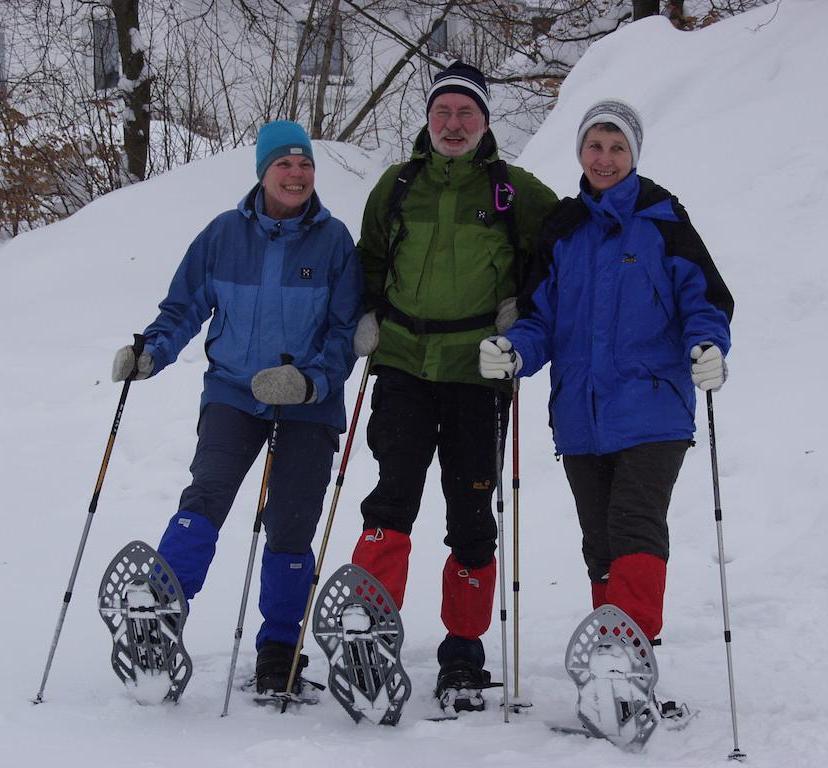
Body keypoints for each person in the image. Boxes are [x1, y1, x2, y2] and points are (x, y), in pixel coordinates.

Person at [110, 120, 361, 695]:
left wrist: (308, 383)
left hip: (306, 405)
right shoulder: (224, 235)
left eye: (305, 164)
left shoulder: (334, 242)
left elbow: (345, 333)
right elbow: (183, 306)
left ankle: (279, 650)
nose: (296, 174)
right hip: (233, 393)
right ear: (263, 171)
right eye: (284, 164)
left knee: (292, 525)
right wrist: (151, 352)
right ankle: (158, 617)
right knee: (206, 494)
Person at [479, 98, 734, 647]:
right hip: (580, 415)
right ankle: (613, 658)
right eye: (596, 145)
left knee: (633, 526)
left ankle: (631, 655)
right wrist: (516, 351)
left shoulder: (663, 218)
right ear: (581, 152)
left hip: (653, 407)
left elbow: (704, 300)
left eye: (618, 147)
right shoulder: (563, 229)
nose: (605, 157)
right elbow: (540, 317)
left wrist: (708, 345)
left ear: (634, 155)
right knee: (599, 542)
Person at [348, 61, 559, 712]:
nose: (453, 124)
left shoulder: (514, 191)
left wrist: (522, 312)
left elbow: (561, 252)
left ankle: (463, 654)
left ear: (485, 122)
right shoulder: (396, 186)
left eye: (467, 113)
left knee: (472, 516)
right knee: (390, 502)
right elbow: (371, 260)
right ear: (428, 118)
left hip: (477, 371)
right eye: (443, 111)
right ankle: (367, 636)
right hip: (406, 363)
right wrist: (366, 315)